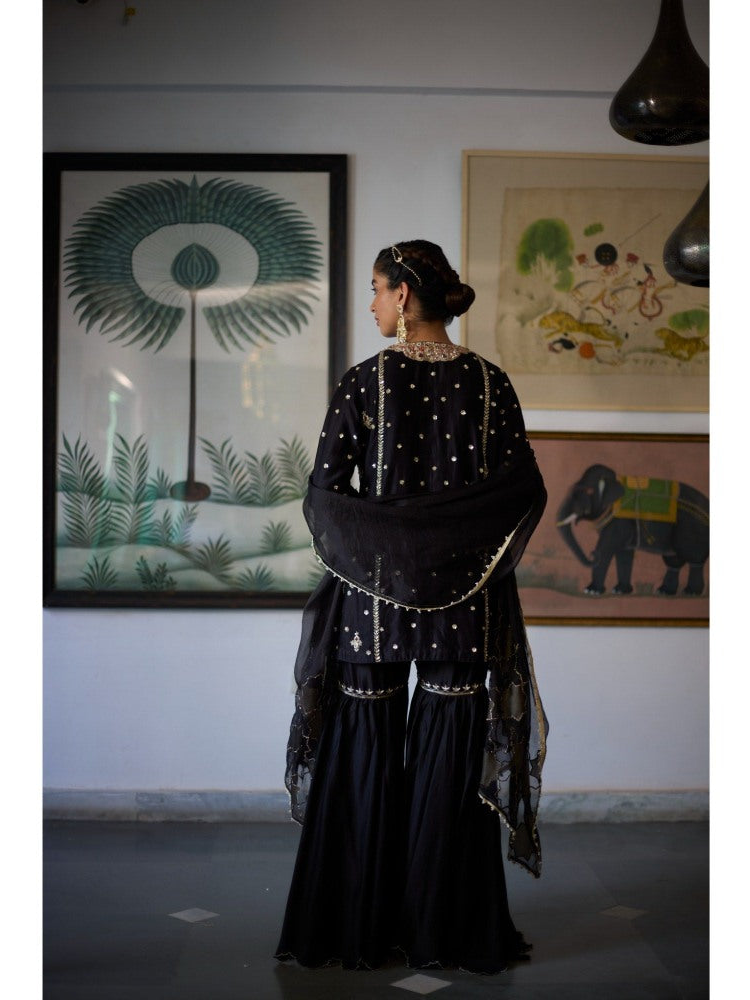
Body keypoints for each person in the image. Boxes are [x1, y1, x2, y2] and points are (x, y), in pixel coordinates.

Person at [275, 240, 548, 975]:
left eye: (375, 288)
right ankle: (443, 932)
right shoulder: (489, 384)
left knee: (363, 746)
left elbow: (324, 495)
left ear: (402, 295)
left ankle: (358, 930)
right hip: (465, 597)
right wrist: (452, 545)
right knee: (450, 756)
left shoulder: (366, 381)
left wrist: (388, 540)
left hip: (374, 599)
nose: (371, 304)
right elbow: (521, 491)